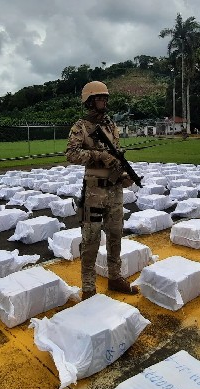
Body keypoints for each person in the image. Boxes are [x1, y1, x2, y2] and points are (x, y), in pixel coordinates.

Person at [65, 81, 138, 301]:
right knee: (91, 239)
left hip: (114, 192)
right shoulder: (81, 127)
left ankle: (115, 277)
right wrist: (98, 156)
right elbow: (71, 154)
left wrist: (123, 175)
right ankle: (88, 287)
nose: (103, 101)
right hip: (93, 194)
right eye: (99, 98)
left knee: (116, 235)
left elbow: (115, 158)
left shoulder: (111, 126)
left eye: (105, 98)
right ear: (89, 101)